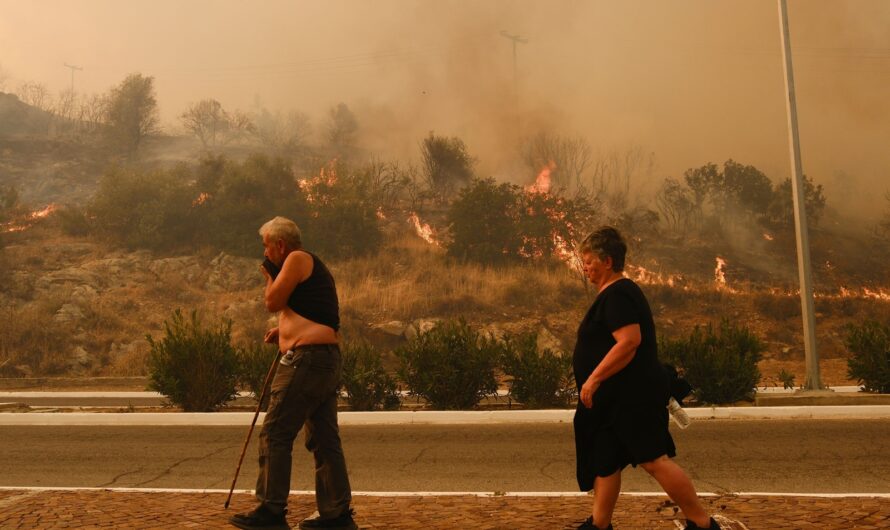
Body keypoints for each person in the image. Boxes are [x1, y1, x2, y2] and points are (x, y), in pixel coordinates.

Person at [572, 226, 719, 530]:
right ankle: (599, 525)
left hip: (631, 398)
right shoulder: (614, 293)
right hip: (613, 402)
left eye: (589, 261)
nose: (584, 267)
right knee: (605, 460)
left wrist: (593, 378)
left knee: (654, 459)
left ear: (608, 261)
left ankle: (702, 523)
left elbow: (629, 341)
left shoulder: (619, 294)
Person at [230, 216, 357, 530]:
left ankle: (270, 512)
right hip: (323, 360)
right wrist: (283, 333)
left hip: (308, 360)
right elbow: (310, 311)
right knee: (324, 439)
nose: (265, 254)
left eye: (266, 247)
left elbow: (273, 301)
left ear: (280, 244)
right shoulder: (309, 266)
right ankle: (336, 515)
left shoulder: (297, 258)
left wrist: (268, 275)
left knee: (275, 432)